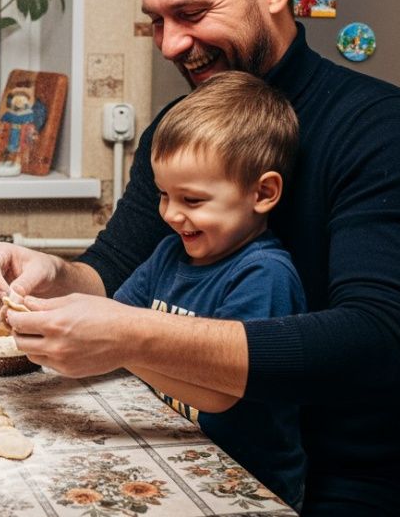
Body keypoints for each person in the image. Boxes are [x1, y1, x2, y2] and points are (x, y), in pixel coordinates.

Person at [0, 0, 400, 515]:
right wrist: (54, 275)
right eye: (158, 21)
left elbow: (381, 344)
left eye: (192, 13)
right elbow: (115, 270)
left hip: (353, 489)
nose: (171, 43)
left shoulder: (384, 130)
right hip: (201, 447)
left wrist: (131, 335)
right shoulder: (184, 123)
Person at [113, 71, 306, 509]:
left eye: (192, 201)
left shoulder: (264, 275)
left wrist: (118, 348)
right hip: (176, 458)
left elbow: (220, 391)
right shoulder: (168, 255)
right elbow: (116, 316)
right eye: (164, 195)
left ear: (264, 192)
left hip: (250, 487)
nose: (171, 214)